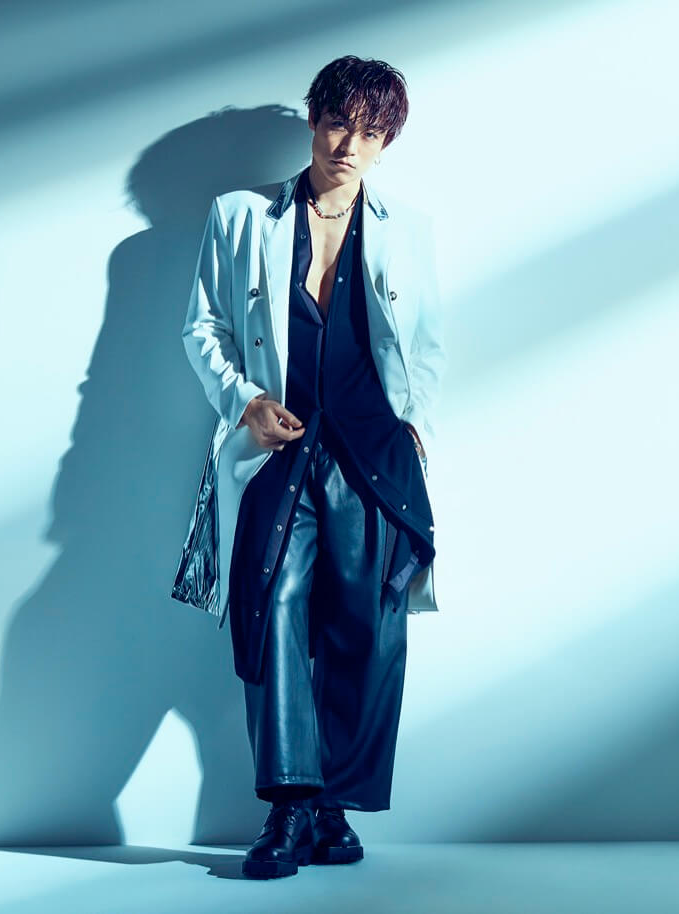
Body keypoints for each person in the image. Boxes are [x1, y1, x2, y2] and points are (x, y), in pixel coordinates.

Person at [172, 55, 446, 880]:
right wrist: (244, 401)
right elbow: (202, 327)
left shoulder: (407, 229)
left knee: (369, 622)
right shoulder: (240, 216)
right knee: (273, 605)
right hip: (278, 445)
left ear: (386, 141)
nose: (349, 146)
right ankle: (290, 806)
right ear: (313, 121)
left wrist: (415, 428)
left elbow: (424, 344)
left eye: (370, 133)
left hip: (372, 452)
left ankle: (334, 809)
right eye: (336, 125)